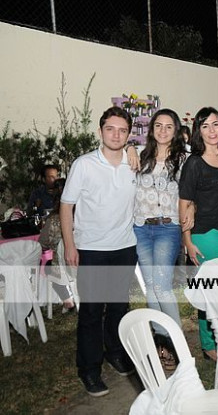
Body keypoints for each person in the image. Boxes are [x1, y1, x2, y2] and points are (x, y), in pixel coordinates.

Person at [60, 106, 138, 397]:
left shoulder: (134, 162)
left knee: (119, 307)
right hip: (91, 249)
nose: (116, 135)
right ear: (100, 131)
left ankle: (115, 352)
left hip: (125, 247)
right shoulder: (84, 164)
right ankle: (89, 370)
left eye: (122, 130)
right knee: (92, 312)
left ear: (128, 135)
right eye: (110, 129)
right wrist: (70, 245)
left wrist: (133, 149)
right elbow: (66, 205)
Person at [179, 106, 218, 361]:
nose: (212, 130)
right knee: (211, 292)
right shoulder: (194, 163)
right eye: (205, 126)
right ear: (199, 131)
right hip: (207, 234)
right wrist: (187, 241)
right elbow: (184, 202)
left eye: (215, 124)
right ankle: (208, 344)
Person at [133, 108, 188, 371]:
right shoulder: (139, 156)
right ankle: (161, 344)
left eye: (168, 126)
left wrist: (191, 210)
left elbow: (191, 193)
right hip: (141, 228)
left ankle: (178, 345)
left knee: (162, 287)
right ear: (151, 129)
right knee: (151, 288)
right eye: (158, 125)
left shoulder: (184, 159)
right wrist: (129, 148)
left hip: (168, 228)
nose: (163, 130)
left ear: (175, 130)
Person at [38, 177, 75, 312]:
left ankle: (67, 299)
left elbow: (43, 244)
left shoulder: (53, 219)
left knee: (48, 267)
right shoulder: (84, 215)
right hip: (86, 261)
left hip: (64, 264)